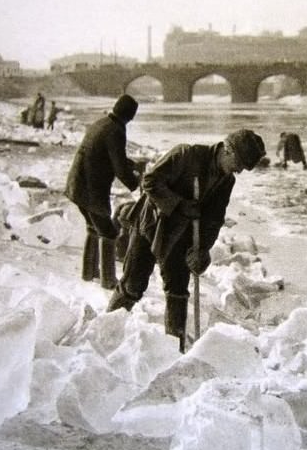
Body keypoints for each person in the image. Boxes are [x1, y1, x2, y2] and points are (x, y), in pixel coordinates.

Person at [108, 129, 266, 343]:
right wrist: (180, 205)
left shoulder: (226, 181)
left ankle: (175, 347)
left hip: (181, 236)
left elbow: (214, 218)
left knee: (178, 291)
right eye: (238, 164)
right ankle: (105, 332)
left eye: (242, 168)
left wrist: (201, 250)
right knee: (133, 286)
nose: (237, 170)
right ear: (227, 149)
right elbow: (150, 182)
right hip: (151, 225)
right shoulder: (186, 155)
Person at [65, 94, 141, 291]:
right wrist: (136, 183)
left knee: (93, 228)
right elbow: (119, 167)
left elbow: (108, 155)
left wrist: (131, 164)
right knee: (109, 232)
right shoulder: (116, 131)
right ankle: (108, 280)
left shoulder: (102, 123)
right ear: (130, 116)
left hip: (77, 184)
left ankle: (88, 272)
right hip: (91, 189)